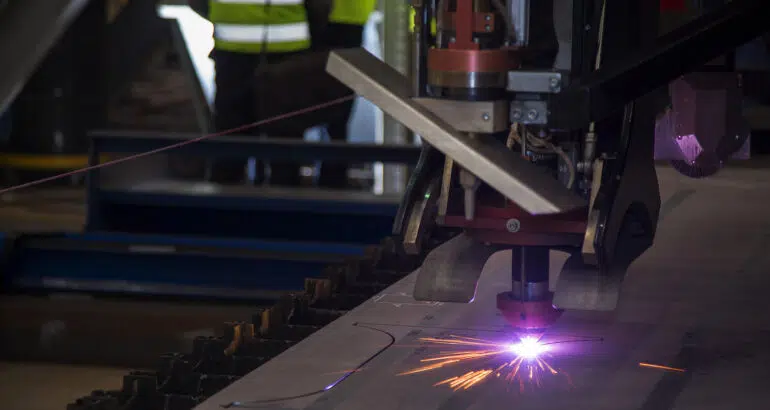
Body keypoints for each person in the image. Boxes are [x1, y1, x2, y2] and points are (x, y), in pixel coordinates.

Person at [190, 0, 314, 186]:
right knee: (281, 142)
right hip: (282, 50)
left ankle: (226, 195)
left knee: (234, 140)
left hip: (243, 50)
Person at [315, 0, 377, 189]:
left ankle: (331, 179)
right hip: (347, 18)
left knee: (330, 109)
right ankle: (333, 178)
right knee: (335, 111)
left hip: (332, 18)